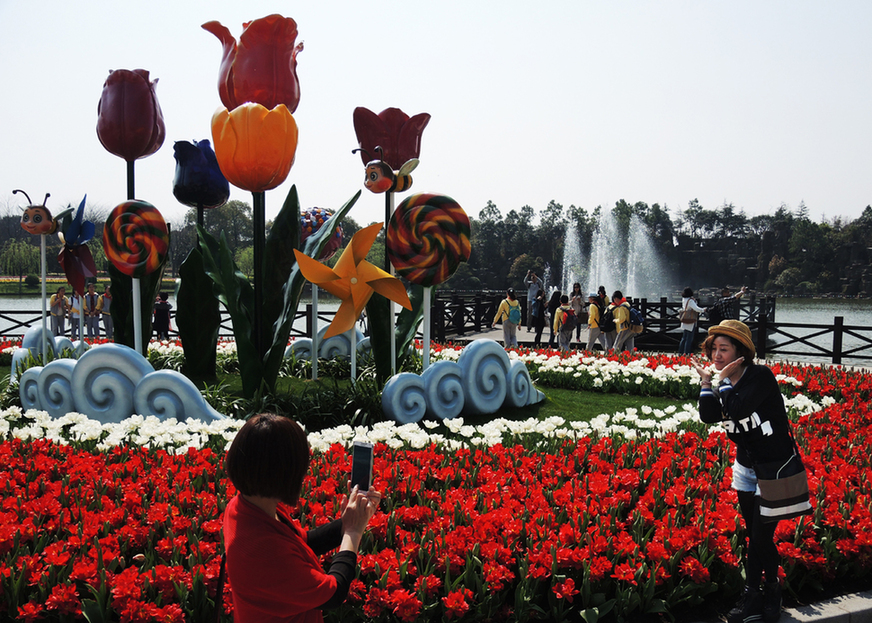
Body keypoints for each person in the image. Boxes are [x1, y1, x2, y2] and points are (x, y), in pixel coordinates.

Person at [693, 321, 810, 623]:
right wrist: (707, 383)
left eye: (724, 349)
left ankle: (764, 591)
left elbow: (739, 409)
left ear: (740, 352)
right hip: (746, 468)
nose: (717, 355)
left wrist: (721, 383)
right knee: (754, 536)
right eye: (714, 349)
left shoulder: (759, 377)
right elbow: (708, 415)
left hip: (774, 469)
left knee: (760, 535)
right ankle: (757, 595)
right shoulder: (723, 380)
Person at [223, 413, 381, 623]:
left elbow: (301, 541)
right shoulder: (263, 550)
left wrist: (347, 522)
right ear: (285, 472)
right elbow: (333, 593)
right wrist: (353, 532)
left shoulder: (243, 507)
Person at [678, 287, 706, 354]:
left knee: (684, 338)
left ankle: (680, 352)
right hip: (690, 320)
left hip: (685, 319)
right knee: (689, 339)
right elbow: (696, 309)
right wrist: (703, 310)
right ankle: (687, 353)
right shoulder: (690, 300)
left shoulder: (684, 299)